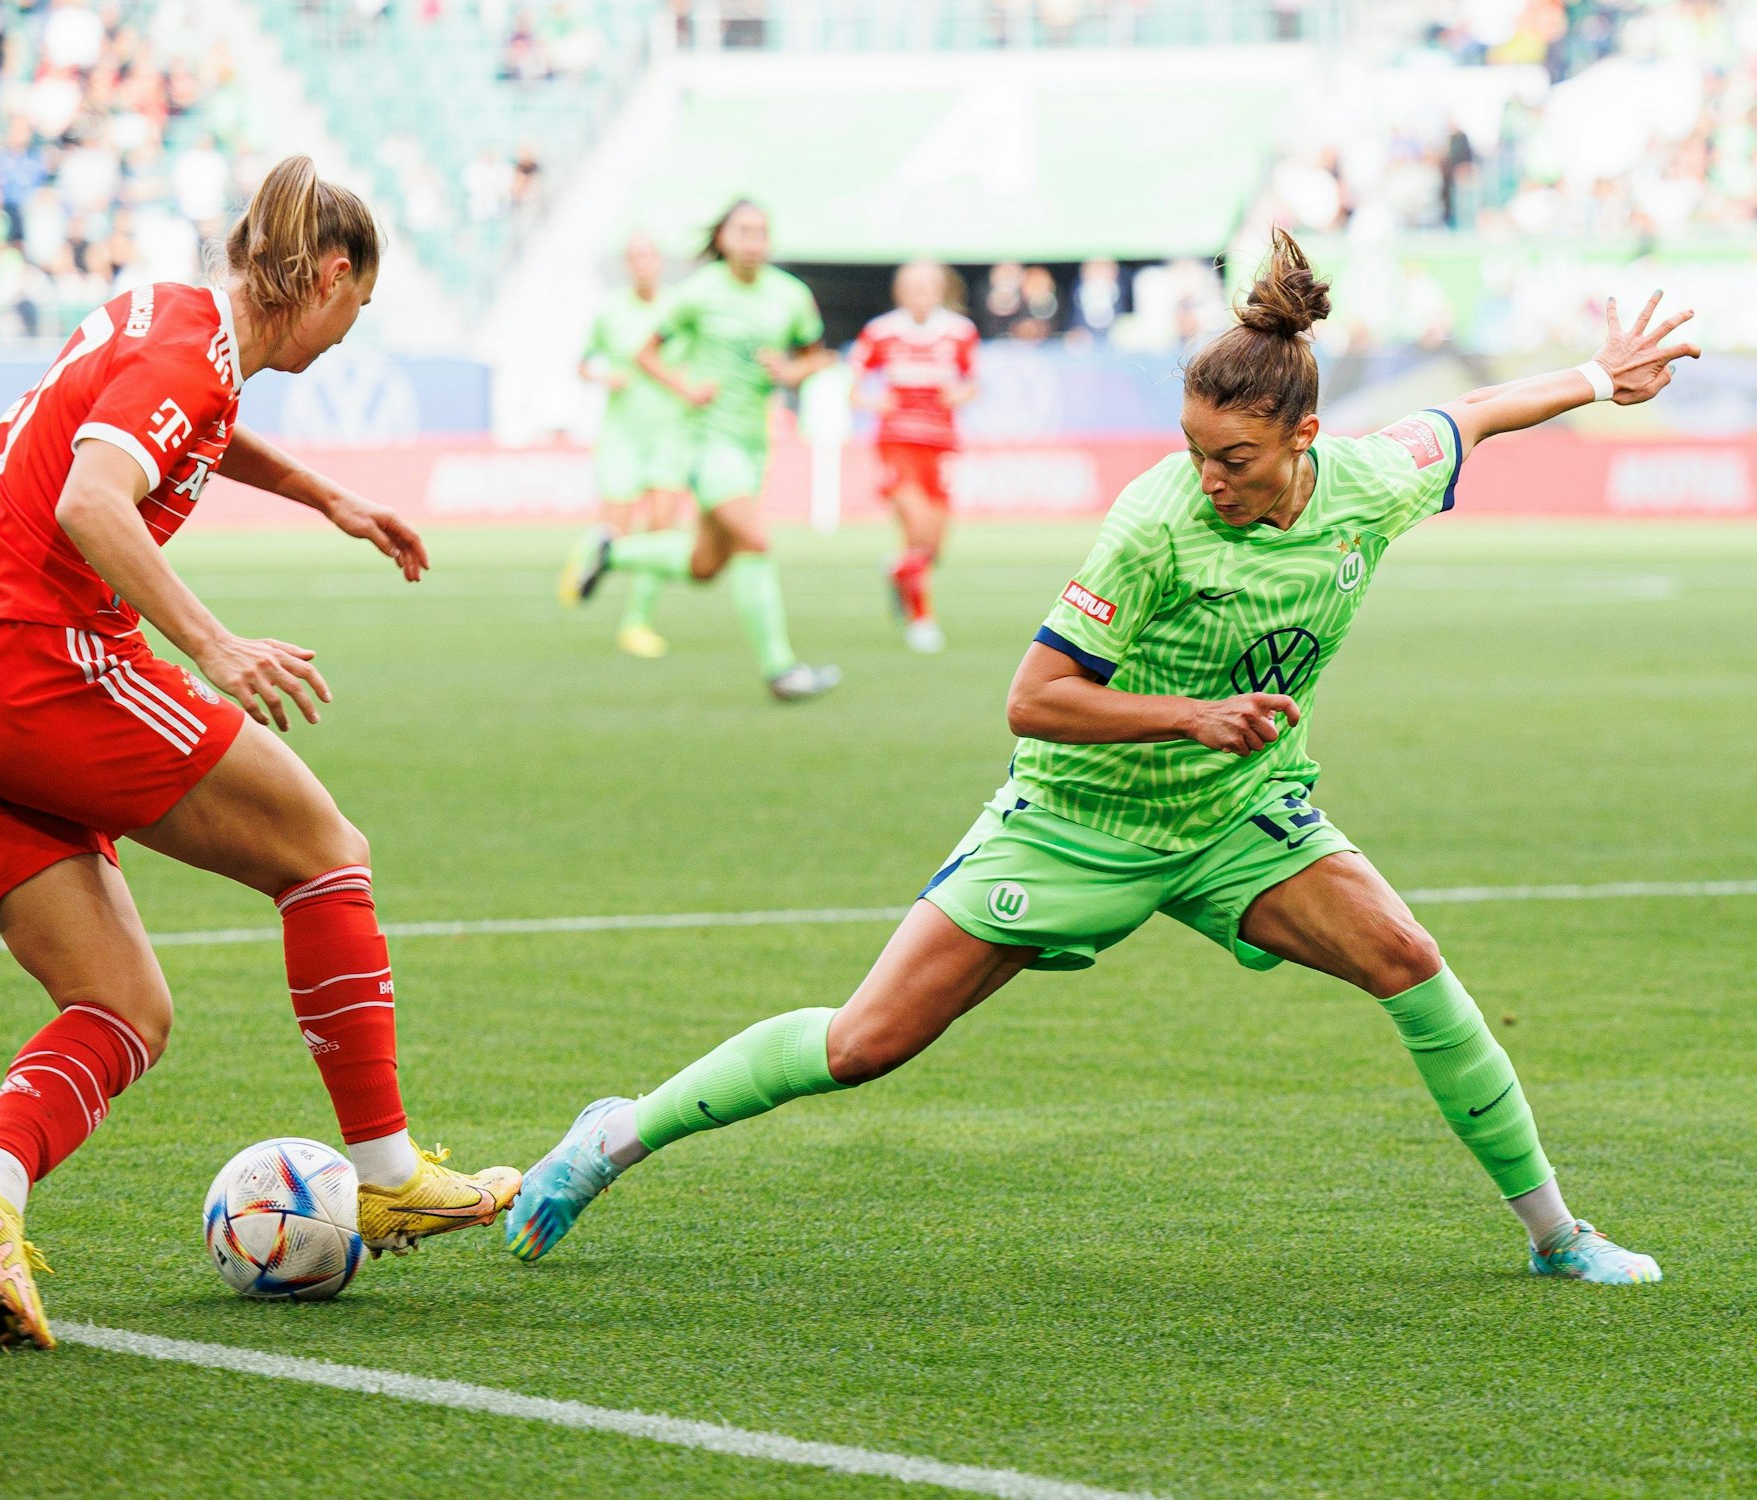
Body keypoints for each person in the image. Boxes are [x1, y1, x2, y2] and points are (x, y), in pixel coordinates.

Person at [504, 229, 1700, 1286]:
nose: (1207, 476)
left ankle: (1553, 1234)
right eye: (1192, 449)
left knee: (1407, 959)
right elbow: (1032, 699)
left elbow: (1476, 412)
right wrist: (1188, 715)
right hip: (1074, 820)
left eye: (1231, 457)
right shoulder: (1152, 521)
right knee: (861, 1045)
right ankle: (614, 1134)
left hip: (1232, 819)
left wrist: (1603, 377)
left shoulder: (1375, 484)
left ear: (1304, 439)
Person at [0, 157, 521, 1351]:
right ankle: (386, 1170)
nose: (347, 335)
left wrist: (326, 497)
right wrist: (214, 644)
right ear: (330, 277)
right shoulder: (191, 356)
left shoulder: (174, 320)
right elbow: (91, 501)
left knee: (120, 1006)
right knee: (323, 851)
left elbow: (188, 431)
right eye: (359, 309)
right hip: (38, 664)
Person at [558, 200, 841, 702]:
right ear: (724, 239)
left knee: (705, 565)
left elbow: (816, 355)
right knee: (755, 541)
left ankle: (612, 552)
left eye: (762, 231)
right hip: (709, 444)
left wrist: (793, 372)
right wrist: (686, 390)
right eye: (743, 230)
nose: (754, 240)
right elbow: (646, 353)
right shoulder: (699, 293)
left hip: (756, 446)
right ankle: (781, 670)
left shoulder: (790, 296)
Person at [850, 261, 978, 653]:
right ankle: (922, 621)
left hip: (940, 445)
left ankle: (896, 569)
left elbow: (972, 383)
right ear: (899, 291)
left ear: (941, 290)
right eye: (913, 286)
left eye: (928, 286)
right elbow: (852, 387)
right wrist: (875, 402)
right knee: (916, 531)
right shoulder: (881, 332)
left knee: (932, 547)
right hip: (898, 444)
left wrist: (958, 394)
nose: (920, 293)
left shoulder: (959, 333)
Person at [576, 232, 690, 658]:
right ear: (628, 265)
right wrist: (606, 376)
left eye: (649, 256)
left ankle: (637, 623)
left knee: (661, 530)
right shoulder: (611, 312)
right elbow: (584, 364)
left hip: (669, 432)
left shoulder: (679, 309)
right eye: (634, 258)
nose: (643, 264)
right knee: (617, 533)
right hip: (623, 433)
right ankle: (589, 562)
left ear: (660, 261)